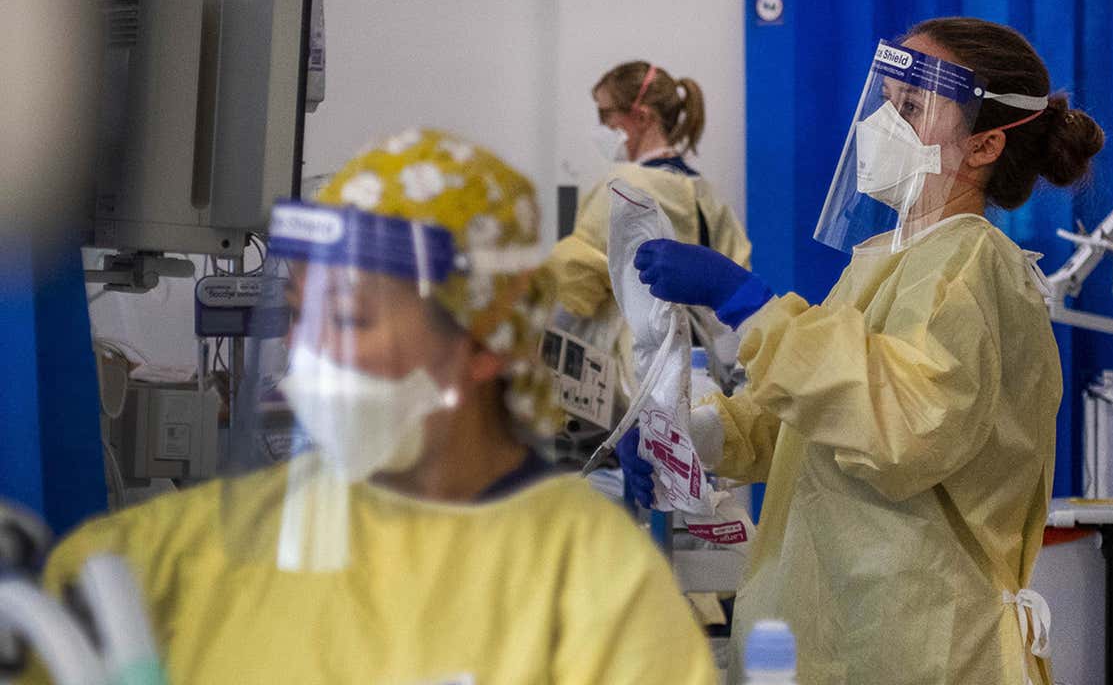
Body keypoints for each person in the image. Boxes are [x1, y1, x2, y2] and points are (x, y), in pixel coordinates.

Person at [23, 129, 717, 684]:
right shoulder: (187, 552)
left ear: (479, 342)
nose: (307, 355)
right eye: (297, 316)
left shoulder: (590, 584)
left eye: (349, 320)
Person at [621, 18, 1105, 684]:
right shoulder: (883, 260)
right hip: (845, 636)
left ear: (985, 143)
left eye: (911, 106)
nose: (883, 121)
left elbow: (902, 428)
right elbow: (809, 420)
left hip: (924, 648)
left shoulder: (973, 264)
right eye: (885, 99)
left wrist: (750, 306)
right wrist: (686, 435)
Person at [546, 62, 751, 444]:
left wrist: (536, 356)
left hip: (629, 384)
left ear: (640, 116)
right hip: (698, 376)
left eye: (605, 114)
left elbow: (575, 283)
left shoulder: (622, 188)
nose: (600, 127)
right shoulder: (705, 193)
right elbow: (735, 289)